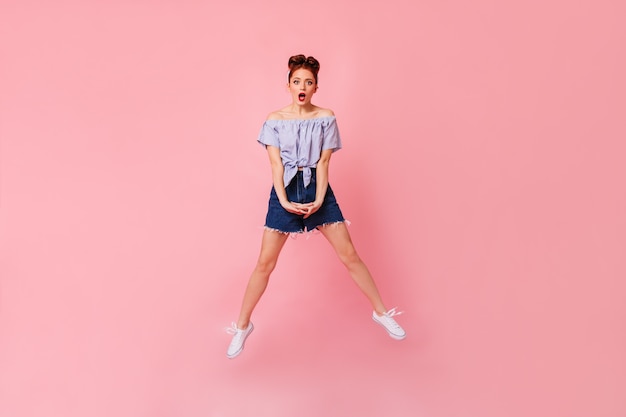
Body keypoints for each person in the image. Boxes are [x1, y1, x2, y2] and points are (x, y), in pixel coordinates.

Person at [226, 54, 405, 359]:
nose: (302, 86)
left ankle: (381, 312)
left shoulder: (325, 117)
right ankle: (242, 326)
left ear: (316, 88)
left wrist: (320, 198)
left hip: (317, 187)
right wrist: (283, 200)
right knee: (264, 264)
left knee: (349, 255)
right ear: (288, 85)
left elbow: (323, 162)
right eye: (297, 81)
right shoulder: (274, 119)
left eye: (308, 82)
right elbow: (275, 165)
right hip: (285, 189)